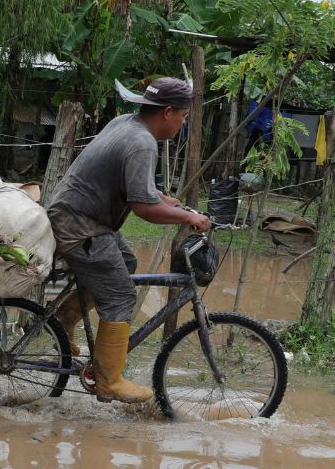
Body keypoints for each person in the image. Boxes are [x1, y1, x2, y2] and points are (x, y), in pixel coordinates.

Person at [44, 77, 211, 404]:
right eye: (183, 116)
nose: (183, 122)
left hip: (76, 216)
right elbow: (143, 209)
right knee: (121, 293)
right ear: (166, 112)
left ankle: (64, 320)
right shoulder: (142, 142)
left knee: (128, 263)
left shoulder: (126, 123)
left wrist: (162, 197)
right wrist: (189, 218)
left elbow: (136, 185)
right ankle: (108, 381)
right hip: (80, 227)